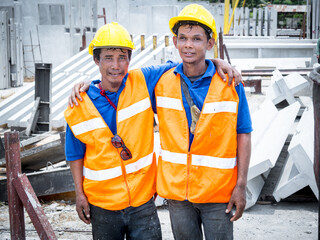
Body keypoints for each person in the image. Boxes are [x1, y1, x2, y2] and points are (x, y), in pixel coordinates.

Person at [65, 21, 241, 240]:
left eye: (122, 58)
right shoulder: (80, 102)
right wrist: (79, 195)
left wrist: (217, 61)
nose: (116, 66)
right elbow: (74, 154)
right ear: (96, 60)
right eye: (108, 58)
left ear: (130, 60)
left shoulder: (142, 81)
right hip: (103, 204)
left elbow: (187, 63)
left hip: (143, 202)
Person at [154, 4, 252, 240]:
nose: (188, 45)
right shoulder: (161, 81)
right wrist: (88, 83)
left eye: (197, 39)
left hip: (217, 194)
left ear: (210, 44)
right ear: (175, 42)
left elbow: (244, 134)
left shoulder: (229, 83)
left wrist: (240, 185)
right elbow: (118, 81)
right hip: (178, 195)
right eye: (183, 38)